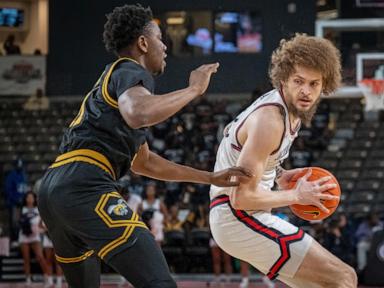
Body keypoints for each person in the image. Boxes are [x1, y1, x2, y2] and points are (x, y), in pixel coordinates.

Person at [37, 4, 250, 288]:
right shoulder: (129, 69)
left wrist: (209, 177)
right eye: (160, 38)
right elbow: (138, 112)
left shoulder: (109, 84)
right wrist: (194, 90)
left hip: (53, 190)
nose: (165, 46)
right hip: (84, 186)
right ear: (142, 42)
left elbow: (145, 163)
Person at [209, 34, 358, 288]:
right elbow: (242, 197)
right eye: (299, 81)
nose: (306, 91)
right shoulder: (271, 120)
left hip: (240, 216)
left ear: (326, 85)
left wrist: (279, 174)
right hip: (237, 216)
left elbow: (251, 159)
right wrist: (296, 196)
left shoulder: (288, 111)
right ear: (283, 79)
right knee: (344, 277)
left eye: (314, 84)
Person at [18, 192, 50, 286]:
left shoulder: (38, 209)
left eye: (32, 197)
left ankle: (47, 278)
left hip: (35, 235)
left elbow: (42, 223)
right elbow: (19, 222)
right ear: (25, 199)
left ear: (35, 199)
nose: (30, 199)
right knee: (26, 258)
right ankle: (28, 279)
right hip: (24, 235)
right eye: (28, 197)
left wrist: (41, 229)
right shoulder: (22, 209)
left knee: (40, 257)